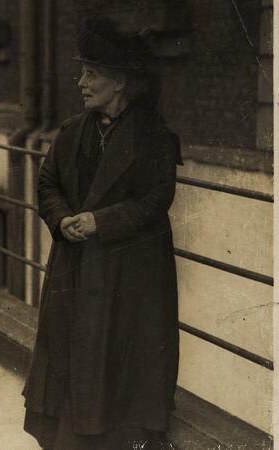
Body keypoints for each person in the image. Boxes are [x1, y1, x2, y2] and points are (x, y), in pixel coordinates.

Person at [22, 17, 182, 450]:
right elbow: (47, 183)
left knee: (120, 376)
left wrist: (100, 221)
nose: (81, 83)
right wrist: (61, 220)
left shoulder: (154, 135)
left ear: (120, 82)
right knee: (71, 370)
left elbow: (157, 199)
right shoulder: (73, 130)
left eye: (91, 74)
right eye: (82, 73)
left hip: (128, 276)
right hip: (76, 268)